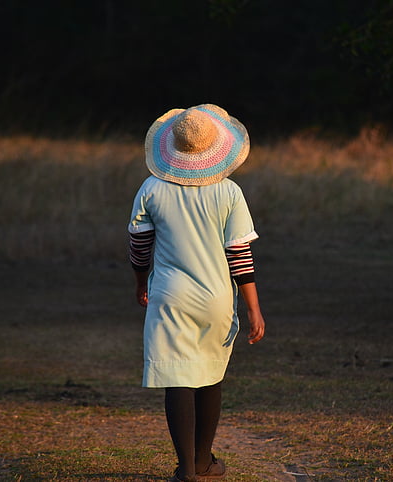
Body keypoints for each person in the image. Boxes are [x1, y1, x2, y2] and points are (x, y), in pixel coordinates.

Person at [128, 104, 265, 481]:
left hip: (170, 296)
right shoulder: (229, 193)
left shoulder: (152, 188)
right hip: (217, 299)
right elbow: (239, 255)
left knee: (178, 377)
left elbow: (139, 246)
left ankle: (186, 469)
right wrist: (253, 308)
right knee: (209, 375)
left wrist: (142, 284)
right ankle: (205, 462)